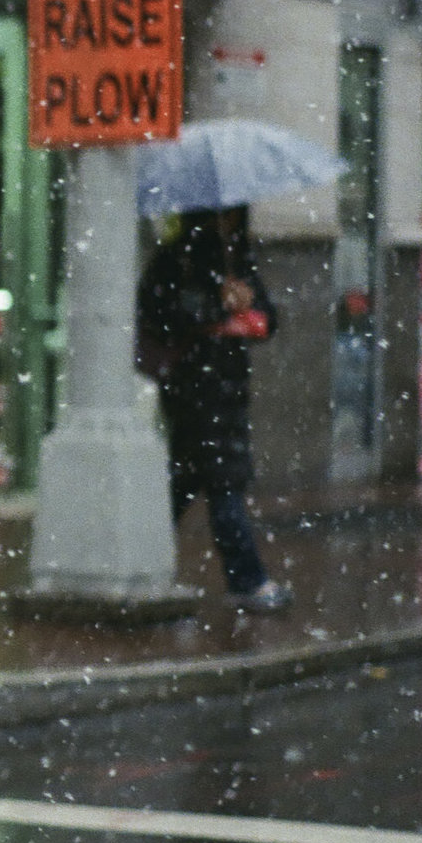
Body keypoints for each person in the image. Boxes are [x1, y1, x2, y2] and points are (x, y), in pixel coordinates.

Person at [139, 207, 291, 613]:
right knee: (223, 480)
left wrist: (247, 305)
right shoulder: (178, 259)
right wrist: (217, 307)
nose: (227, 223)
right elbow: (160, 315)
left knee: (188, 479)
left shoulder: (236, 259)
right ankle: (247, 578)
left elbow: (269, 320)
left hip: (228, 386)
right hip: (192, 385)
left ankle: (140, 557)